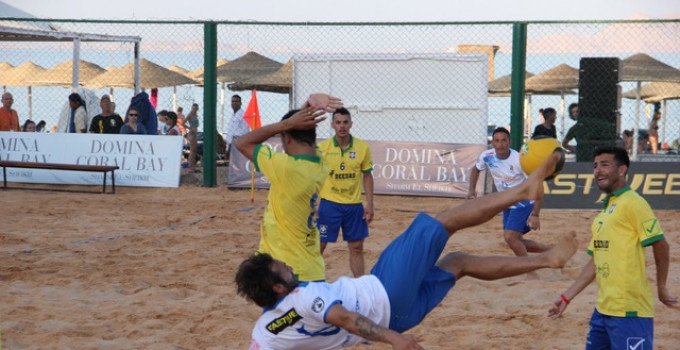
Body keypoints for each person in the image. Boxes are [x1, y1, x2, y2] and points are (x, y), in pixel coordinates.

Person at [236, 151, 578, 350]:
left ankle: (548, 259)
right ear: (278, 286)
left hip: (402, 314)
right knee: (443, 222)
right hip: (384, 293)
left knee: (459, 263)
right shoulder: (304, 299)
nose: (285, 265)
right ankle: (522, 190)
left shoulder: (268, 329)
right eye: (280, 268)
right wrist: (395, 340)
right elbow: (346, 319)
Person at [548, 146, 676, 350]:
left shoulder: (634, 203)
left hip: (630, 312)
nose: (598, 170)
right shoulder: (604, 212)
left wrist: (661, 287)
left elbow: (661, 245)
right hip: (603, 310)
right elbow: (596, 261)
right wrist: (566, 297)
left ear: (622, 169)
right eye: (595, 166)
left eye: (605, 165)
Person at [235, 94, 343, 282]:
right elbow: (300, 132)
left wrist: (284, 125)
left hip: (287, 272)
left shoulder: (286, 168)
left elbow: (242, 143)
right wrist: (306, 110)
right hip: (311, 266)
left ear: (288, 138)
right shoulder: (320, 162)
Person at [467, 127, 550, 257]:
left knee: (510, 237)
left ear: (509, 142)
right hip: (506, 202)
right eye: (497, 141)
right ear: (492, 143)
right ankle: (553, 251)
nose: (500, 144)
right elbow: (475, 169)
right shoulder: (487, 156)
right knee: (514, 239)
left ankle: (526, 268)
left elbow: (538, 185)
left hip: (524, 201)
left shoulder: (520, 160)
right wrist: (471, 190)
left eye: (504, 140)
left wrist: (535, 214)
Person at [316, 107, 374, 277]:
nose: (342, 126)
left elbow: (367, 176)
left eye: (345, 122)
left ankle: (360, 286)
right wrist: (312, 203)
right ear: (332, 124)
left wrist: (370, 204)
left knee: (356, 247)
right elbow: (313, 177)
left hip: (354, 206)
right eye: (338, 122)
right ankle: (308, 283)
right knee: (319, 244)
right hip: (329, 205)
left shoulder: (362, 147)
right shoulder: (322, 148)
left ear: (351, 124)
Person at [182, 103, 200, 172]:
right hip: (191, 133)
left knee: (194, 150)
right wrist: (189, 128)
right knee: (192, 151)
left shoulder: (195, 115)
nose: (194, 110)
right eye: (193, 108)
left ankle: (193, 165)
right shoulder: (190, 115)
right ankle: (190, 166)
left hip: (195, 133)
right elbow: (183, 123)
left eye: (195, 109)